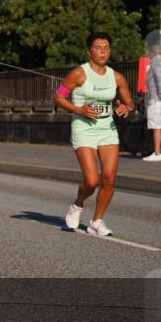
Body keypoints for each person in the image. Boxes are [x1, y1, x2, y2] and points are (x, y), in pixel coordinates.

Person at [54, 32, 133, 235]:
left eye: (106, 47)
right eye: (98, 47)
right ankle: (77, 204)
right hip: (84, 129)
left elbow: (129, 101)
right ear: (89, 51)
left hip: (107, 129)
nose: (103, 51)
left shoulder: (116, 77)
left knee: (108, 179)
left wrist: (126, 107)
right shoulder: (79, 74)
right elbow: (59, 98)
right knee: (91, 181)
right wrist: (79, 110)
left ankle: (96, 221)